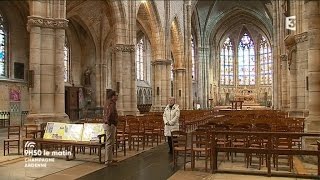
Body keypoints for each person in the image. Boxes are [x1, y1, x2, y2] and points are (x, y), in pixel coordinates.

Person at [103, 90, 118, 166]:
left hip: (107, 124)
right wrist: (111, 122)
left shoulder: (107, 102)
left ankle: (110, 159)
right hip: (110, 125)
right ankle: (108, 161)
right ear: (113, 96)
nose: (117, 97)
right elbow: (110, 114)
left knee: (110, 142)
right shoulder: (111, 103)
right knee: (109, 142)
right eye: (116, 95)